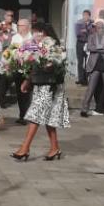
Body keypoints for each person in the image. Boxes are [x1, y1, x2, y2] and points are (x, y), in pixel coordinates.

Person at [10, 21, 69, 161]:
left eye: (39, 32)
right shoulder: (35, 46)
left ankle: (25, 148)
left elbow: (55, 67)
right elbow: (32, 65)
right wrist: (27, 80)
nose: (37, 35)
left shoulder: (55, 47)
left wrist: (47, 63)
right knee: (47, 118)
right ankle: (54, 148)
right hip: (39, 85)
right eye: (35, 32)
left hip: (50, 87)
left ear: (45, 32)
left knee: (35, 115)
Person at [81, 19, 104, 119]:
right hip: (95, 65)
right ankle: (84, 109)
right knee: (90, 88)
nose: (98, 29)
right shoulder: (91, 36)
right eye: (97, 27)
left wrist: (97, 48)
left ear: (103, 27)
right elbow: (89, 48)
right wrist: (102, 47)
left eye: (100, 27)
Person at [10, 18, 33, 123]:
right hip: (17, 68)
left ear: (27, 26)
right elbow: (11, 50)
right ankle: (22, 114)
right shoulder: (15, 37)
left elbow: (35, 53)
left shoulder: (32, 38)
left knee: (27, 92)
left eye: (20, 26)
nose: (18, 27)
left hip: (29, 68)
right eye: (18, 25)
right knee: (19, 92)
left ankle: (25, 115)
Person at [74, 9, 93, 85]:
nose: (84, 17)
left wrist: (86, 30)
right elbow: (78, 33)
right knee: (80, 62)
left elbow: (92, 33)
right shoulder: (79, 22)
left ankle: (86, 79)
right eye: (83, 15)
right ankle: (80, 79)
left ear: (89, 16)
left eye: (86, 15)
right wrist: (86, 31)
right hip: (80, 43)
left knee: (87, 62)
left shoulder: (92, 23)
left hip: (88, 44)